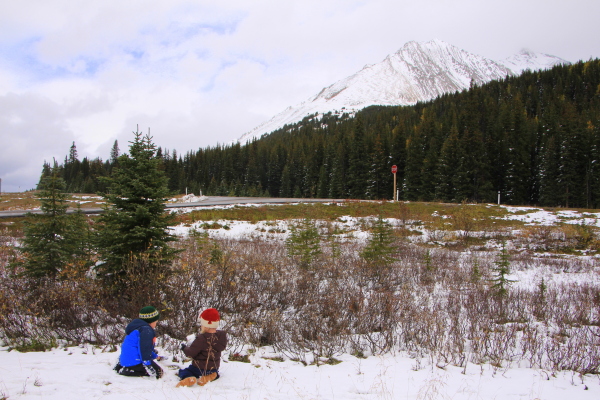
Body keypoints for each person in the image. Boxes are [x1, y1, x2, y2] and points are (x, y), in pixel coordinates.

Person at [176, 308, 228, 387]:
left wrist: (184, 348)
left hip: (198, 369)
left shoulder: (202, 338)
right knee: (215, 373)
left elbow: (191, 353)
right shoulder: (221, 336)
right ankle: (212, 375)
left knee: (184, 371)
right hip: (213, 368)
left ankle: (189, 378)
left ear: (206, 325)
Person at [113, 306, 164, 379]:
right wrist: (149, 366)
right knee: (159, 372)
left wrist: (156, 356)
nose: (156, 324)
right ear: (151, 321)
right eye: (156, 321)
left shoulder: (136, 327)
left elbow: (141, 347)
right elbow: (145, 349)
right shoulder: (146, 330)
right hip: (134, 363)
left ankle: (124, 368)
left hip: (125, 360)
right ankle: (129, 371)